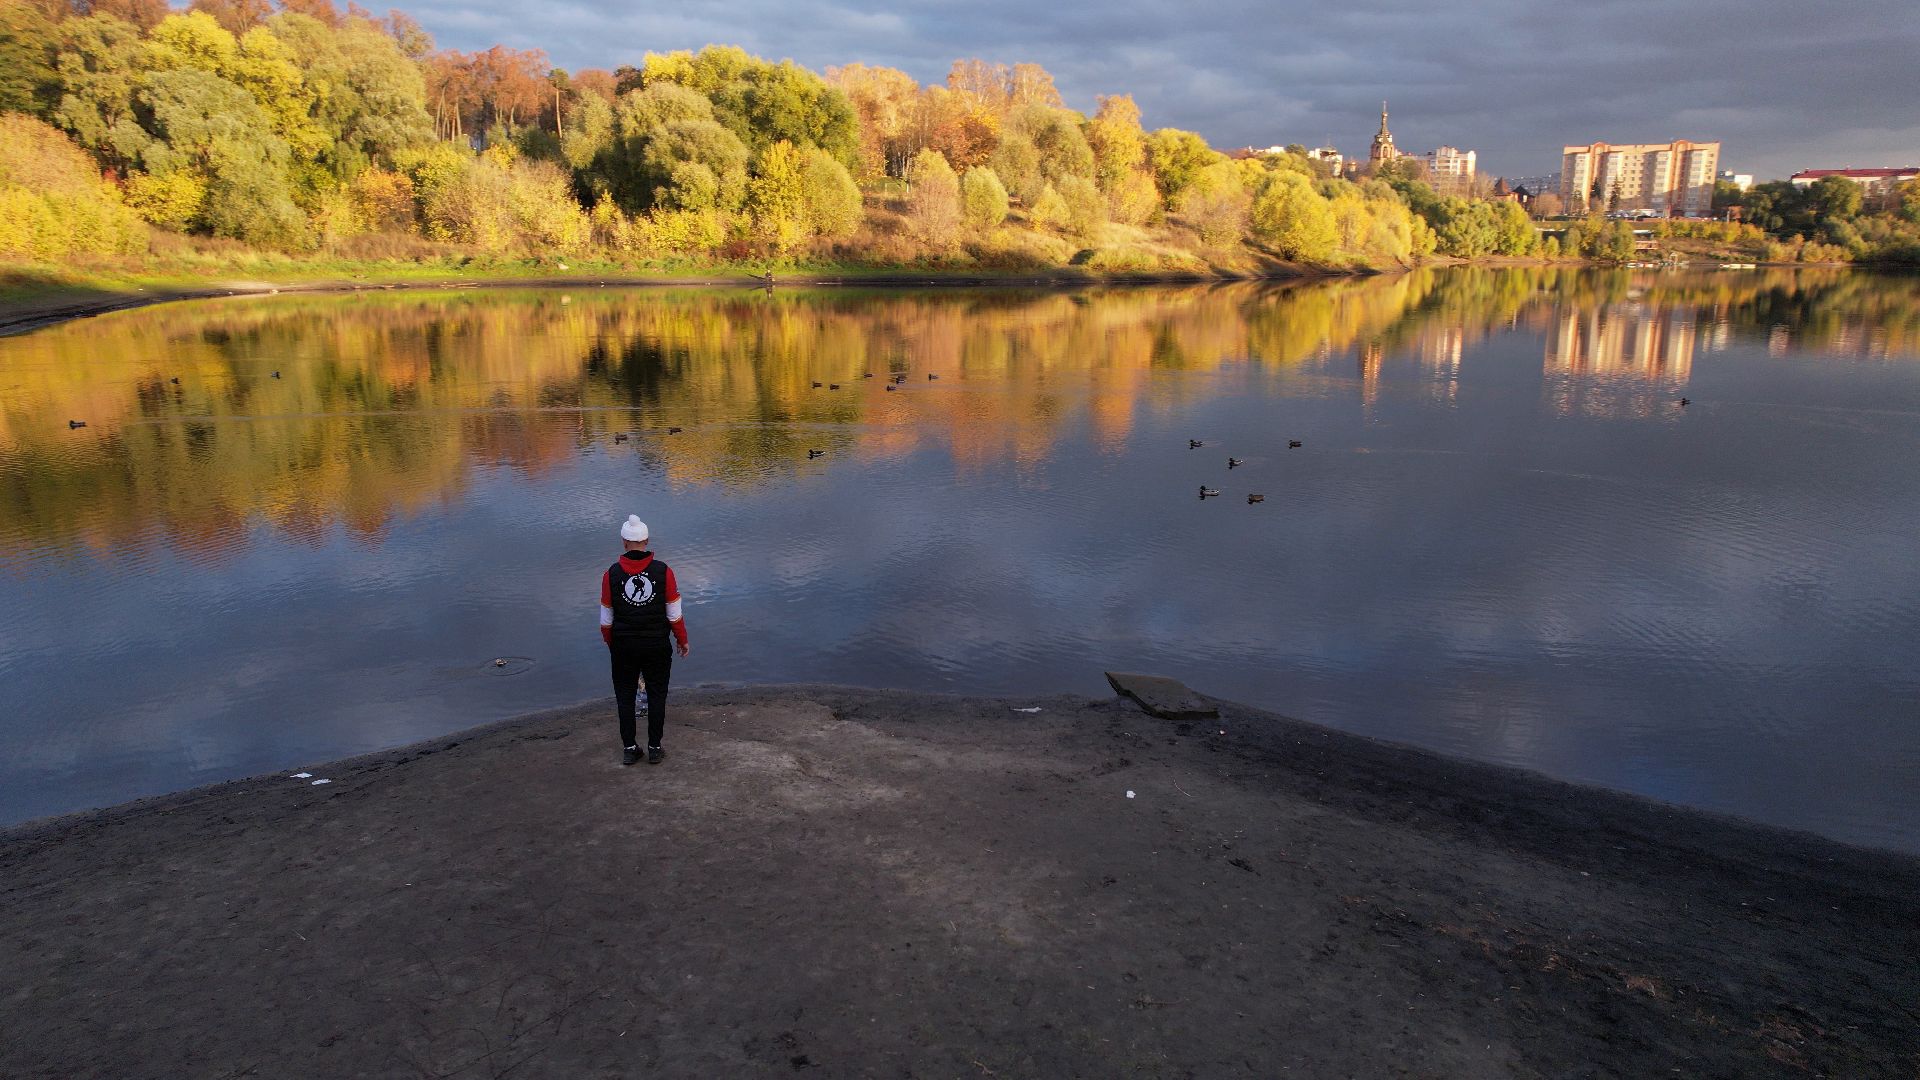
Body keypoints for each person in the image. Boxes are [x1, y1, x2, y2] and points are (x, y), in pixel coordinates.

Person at [599, 515, 690, 765]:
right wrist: (682, 640)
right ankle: (655, 748)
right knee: (657, 694)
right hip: (656, 645)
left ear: (624, 542)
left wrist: (613, 644)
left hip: (623, 646)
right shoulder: (664, 571)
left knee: (625, 695)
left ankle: (630, 748)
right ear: (647, 541)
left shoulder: (611, 574)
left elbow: (606, 621)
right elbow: (674, 613)